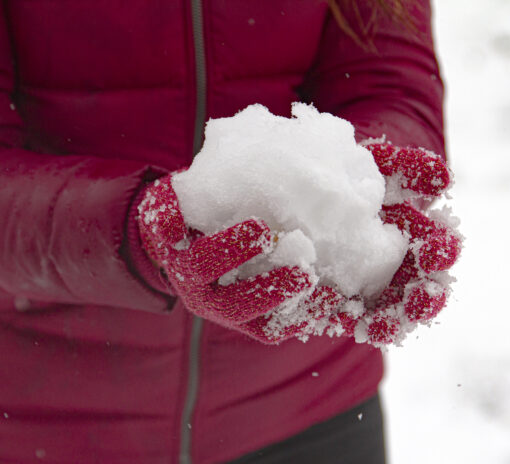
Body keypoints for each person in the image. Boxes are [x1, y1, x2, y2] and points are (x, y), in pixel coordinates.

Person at [0, 1, 454, 463]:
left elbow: (390, 86)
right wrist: (136, 232)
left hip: (311, 405)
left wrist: (371, 184)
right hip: (49, 420)